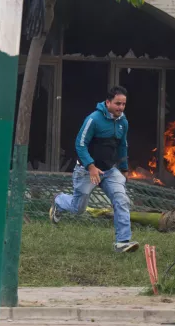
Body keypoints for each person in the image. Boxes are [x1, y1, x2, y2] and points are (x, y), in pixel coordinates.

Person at [49, 86, 139, 253]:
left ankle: (122, 242)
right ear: (108, 102)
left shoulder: (123, 122)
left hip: (110, 171)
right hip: (86, 171)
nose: (120, 107)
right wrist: (91, 167)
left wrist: (124, 170)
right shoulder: (93, 119)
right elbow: (80, 144)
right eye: (117, 103)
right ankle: (60, 201)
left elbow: (122, 145)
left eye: (123, 104)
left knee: (121, 200)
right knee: (78, 209)